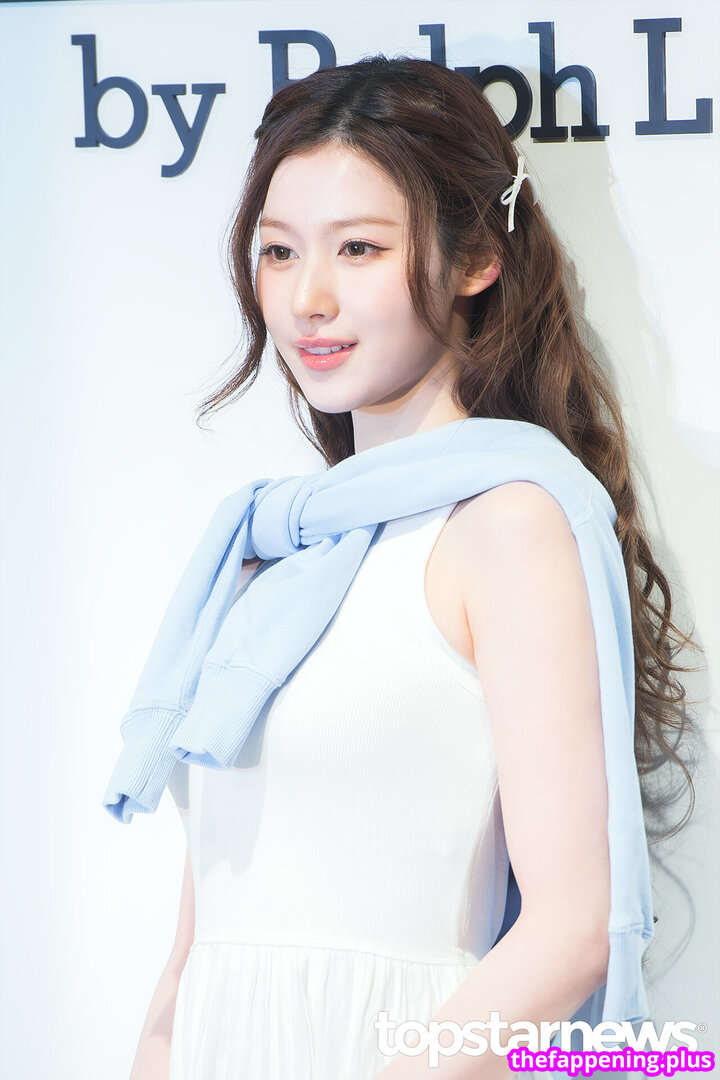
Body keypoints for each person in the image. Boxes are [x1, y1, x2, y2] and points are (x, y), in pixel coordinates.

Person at [117, 56, 701, 1080]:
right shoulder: (275, 550)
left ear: (476, 257)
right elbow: (195, 953)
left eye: (359, 248)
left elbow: (572, 929)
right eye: (278, 251)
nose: (308, 298)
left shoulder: (508, 524)